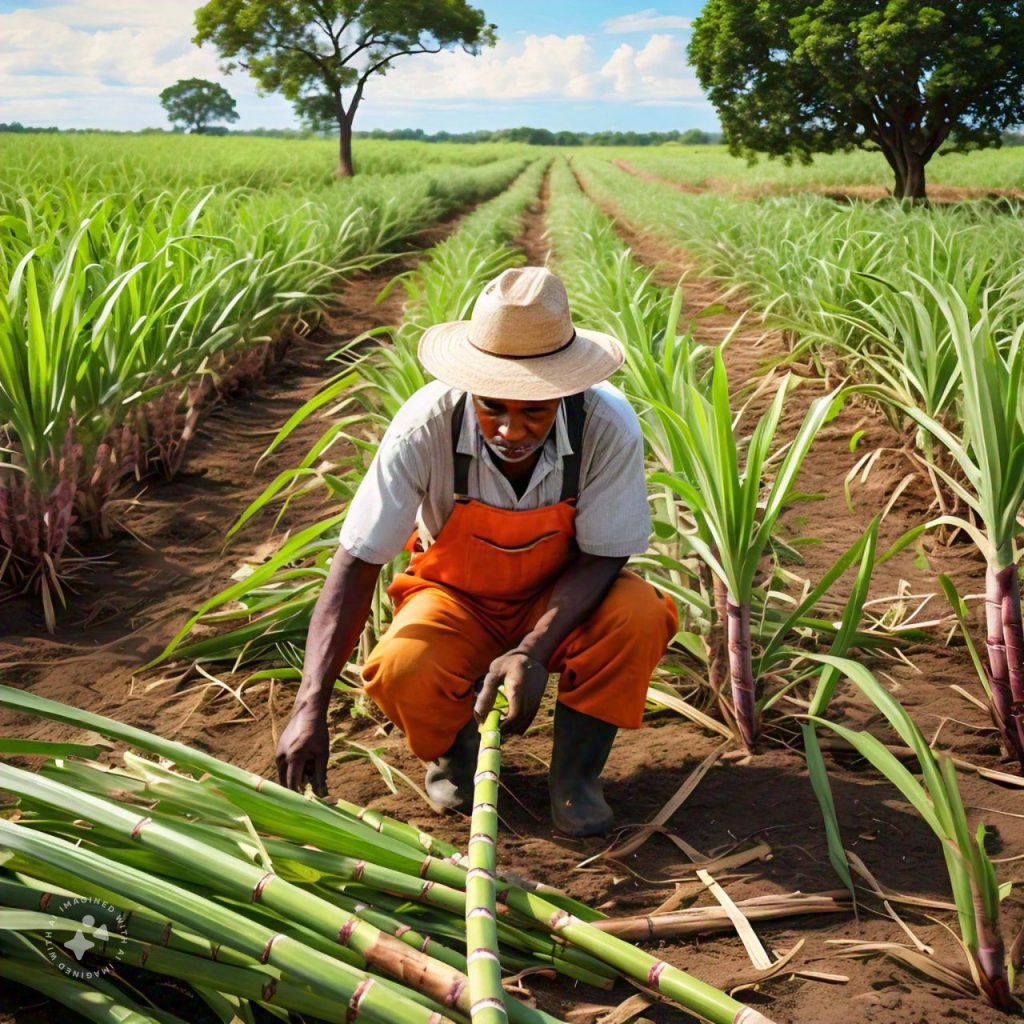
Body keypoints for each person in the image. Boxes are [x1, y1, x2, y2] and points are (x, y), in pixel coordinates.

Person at [275, 265, 677, 836]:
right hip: (457, 598)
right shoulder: (425, 427)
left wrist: (535, 650)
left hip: (563, 597)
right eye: (494, 408)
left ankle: (576, 780)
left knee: (637, 616)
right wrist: (308, 706)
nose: (511, 431)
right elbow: (357, 561)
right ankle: (454, 751)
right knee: (400, 667)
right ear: (471, 390)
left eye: (533, 411)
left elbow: (605, 554)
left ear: (564, 392)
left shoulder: (606, 425)